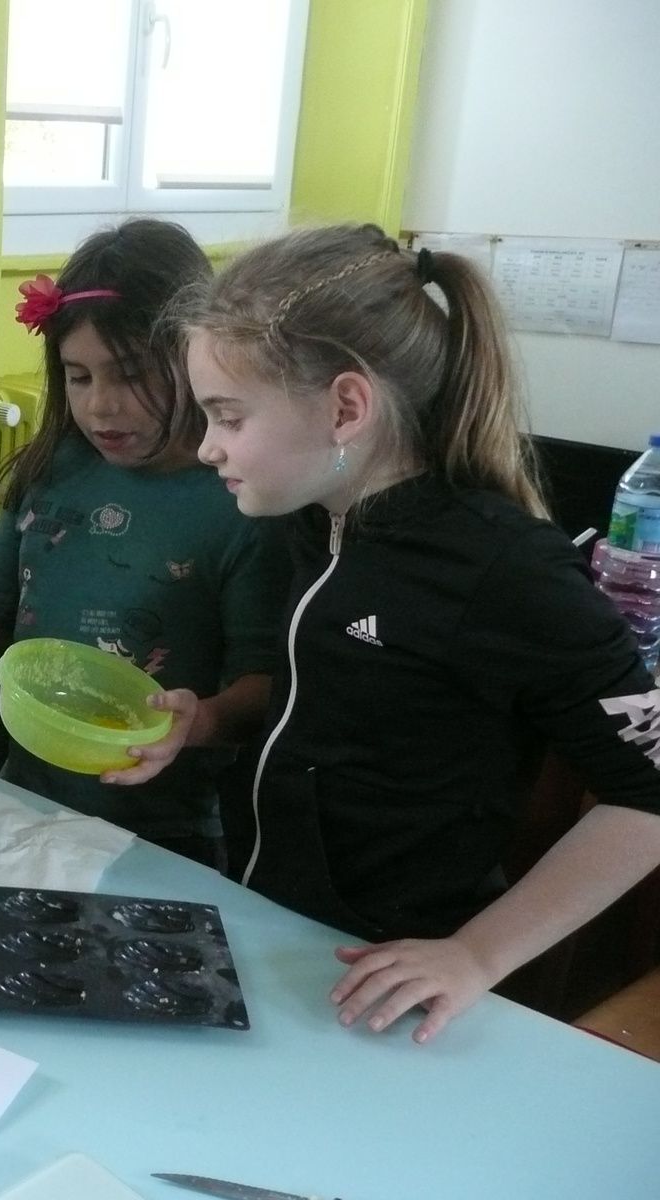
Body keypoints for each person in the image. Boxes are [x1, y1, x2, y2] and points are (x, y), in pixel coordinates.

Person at [181, 222, 660, 1041]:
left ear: (346, 408)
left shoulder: (504, 569)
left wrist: (475, 955)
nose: (205, 448)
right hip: (278, 933)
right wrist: (208, 721)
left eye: (227, 417)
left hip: (386, 984)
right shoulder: (315, 523)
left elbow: (647, 796)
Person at [0, 220, 288, 869]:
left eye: (130, 375)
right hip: (22, 800)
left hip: (164, 833)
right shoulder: (52, 469)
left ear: (195, 358)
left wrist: (196, 721)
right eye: (78, 376)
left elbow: (262, 686)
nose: (99, 407)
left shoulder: (238, 501)